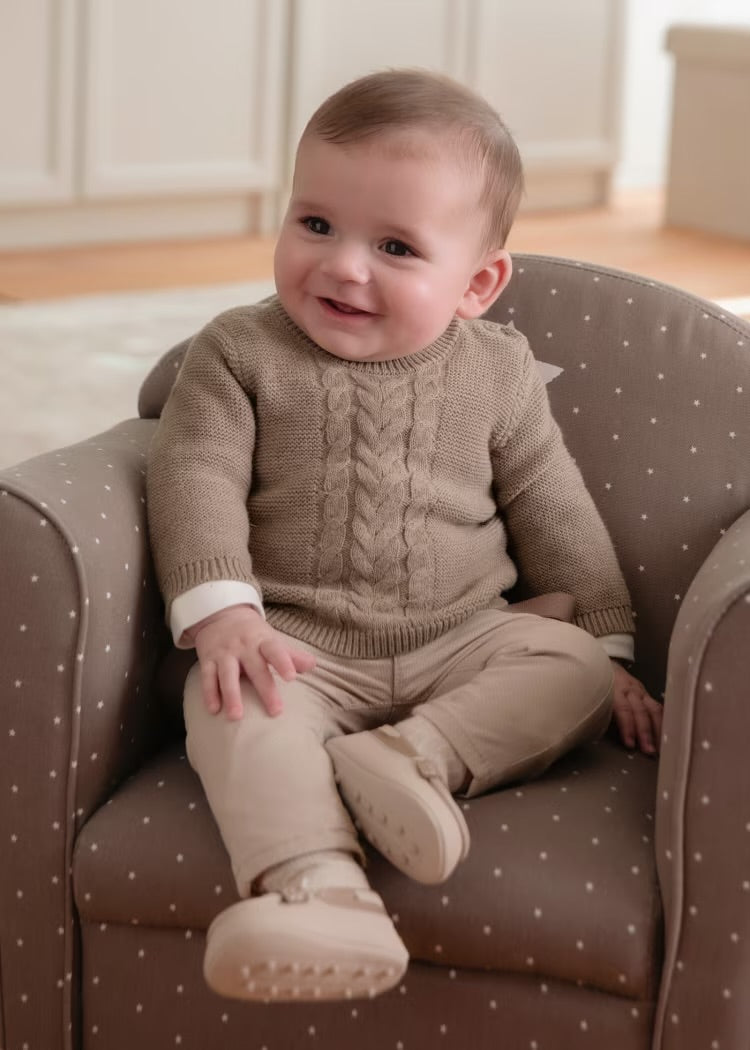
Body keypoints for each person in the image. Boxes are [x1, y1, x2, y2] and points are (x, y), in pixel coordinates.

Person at [146, 68, 662, 1005]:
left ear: (477, 284)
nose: (344, 265)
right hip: (296, 647)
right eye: (315, 225)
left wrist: (608, 642)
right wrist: (225, 616)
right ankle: (320, 889)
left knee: (572, 673)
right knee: (231, 713)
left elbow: (556, 507)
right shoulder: (239, 353)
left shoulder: (497, 374)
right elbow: (194, 476)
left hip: (465, 635)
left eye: (394, 245)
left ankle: (410, 762)